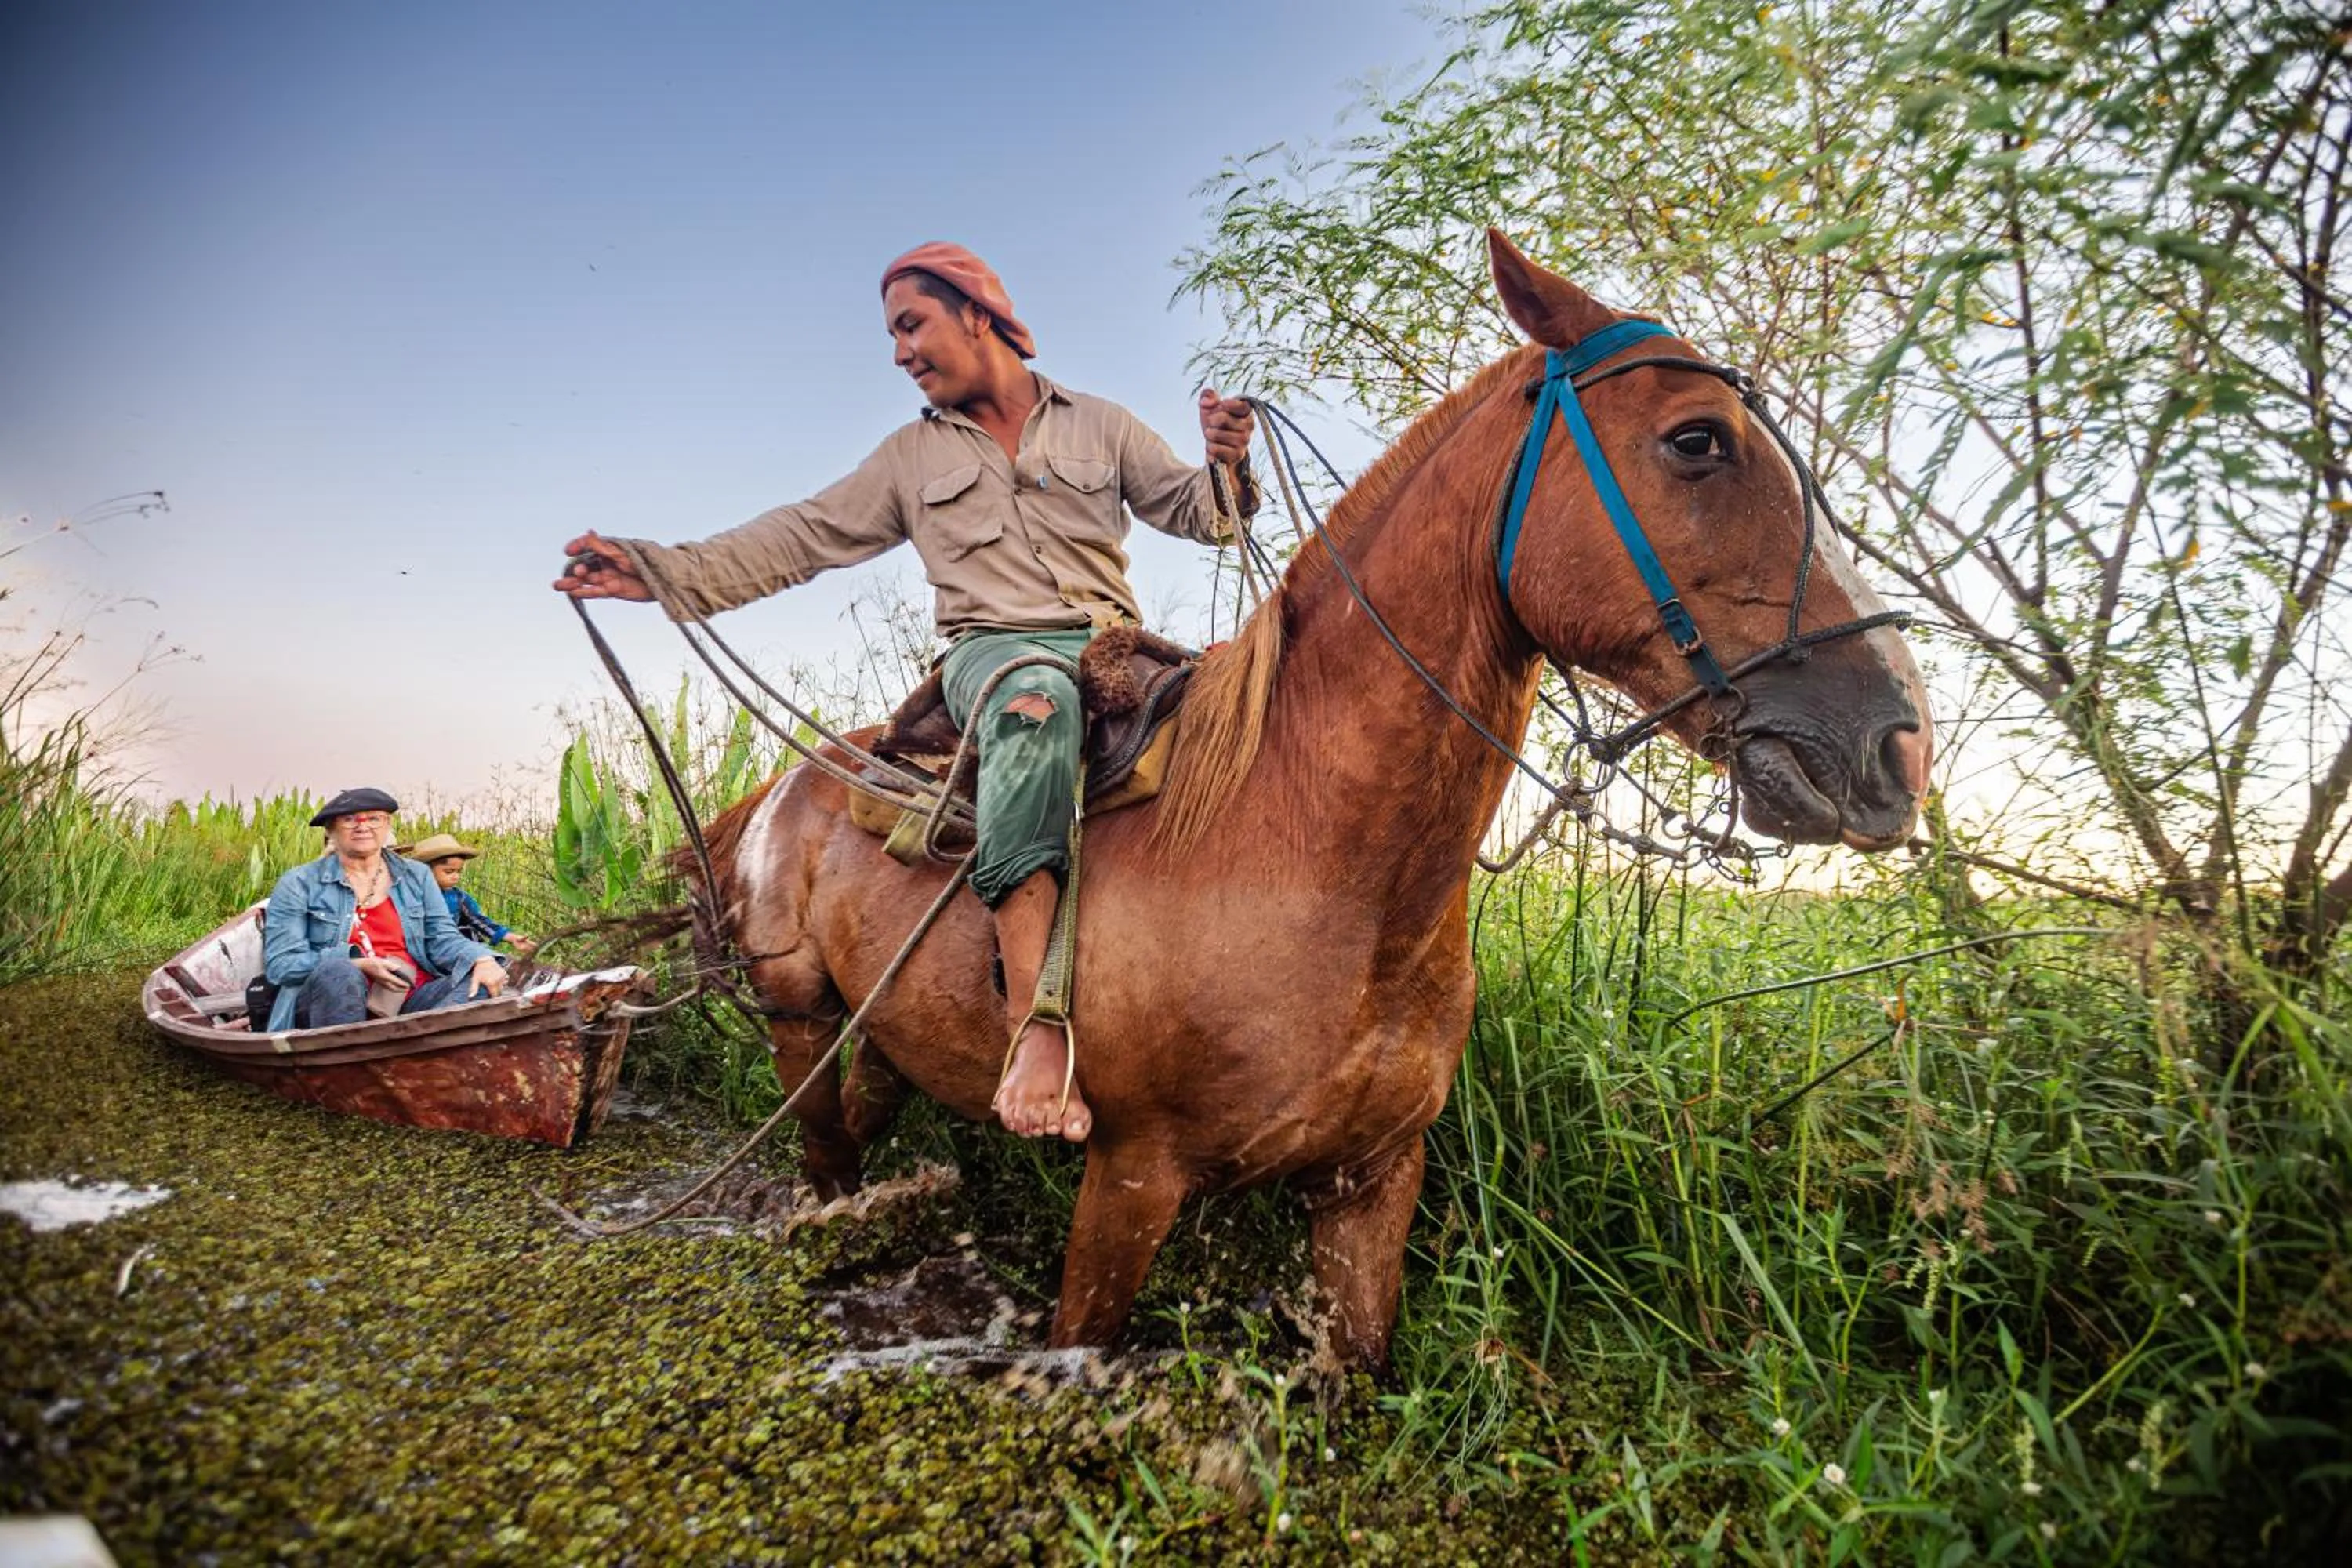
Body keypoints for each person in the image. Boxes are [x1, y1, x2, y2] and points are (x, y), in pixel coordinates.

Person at [553, 241, 1257, 1143]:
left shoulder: (1104, 425)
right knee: (1033, 706)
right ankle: (1036, 1025)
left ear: (977, 313)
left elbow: (1206, 515)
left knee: (1256, 708)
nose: (900, 353)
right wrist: (657, 570)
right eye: (893, 334)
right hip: (998, 657)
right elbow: (800, 535)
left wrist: (1226, 462)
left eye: (910, 325)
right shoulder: (906, 459)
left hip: (1122, 649)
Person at [261, 788, 507, 1030]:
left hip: (408, 997)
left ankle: (418, 1051)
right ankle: (349, 1060)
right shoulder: (299, 883)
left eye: (374, 818)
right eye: (349, 820)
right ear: (331, 830)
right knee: (339, 972)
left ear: (387, 825)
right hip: (329, 1004)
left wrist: (481, 958)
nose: (363, 826)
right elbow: (281, 965)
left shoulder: (417, 875)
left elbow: (442, 937)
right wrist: (356, 963)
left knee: (480, 980)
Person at [397, 832, 540, 958]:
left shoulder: (458, 897)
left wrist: (510, 937)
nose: (455, 877)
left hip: (453, 949)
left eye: (459, 872)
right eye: (449, 872)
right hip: (424, 951)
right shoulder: (410, 896)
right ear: (425, 870)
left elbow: (478, 920)